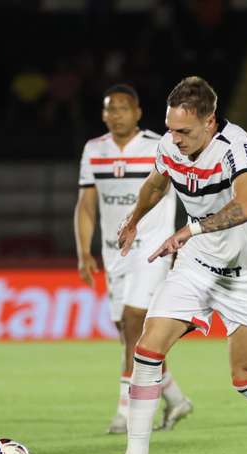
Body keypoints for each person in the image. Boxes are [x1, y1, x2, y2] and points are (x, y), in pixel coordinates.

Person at [87, 76, 247, 454]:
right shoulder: (170, 146)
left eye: (183, 130)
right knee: (148, 349)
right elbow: (156, 182)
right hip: (197, 265)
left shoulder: (235, 146)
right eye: (169, 128)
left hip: (244, 274)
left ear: (210, 122)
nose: (173, 138)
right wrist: (134, 218)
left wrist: (191, 228)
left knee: (245, 377)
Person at [75, 83, 193, 434]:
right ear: (103, 114)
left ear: (138, 112)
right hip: (115, 253)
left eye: (123, 108)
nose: (116, 115)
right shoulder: (93, 150)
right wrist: (84, 251)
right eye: (110, 109)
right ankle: (176, 398)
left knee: (131, 321)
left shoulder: (161, 145)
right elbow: (86, 204)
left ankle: (126, 411)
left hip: (152, 248)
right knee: (129, 333)